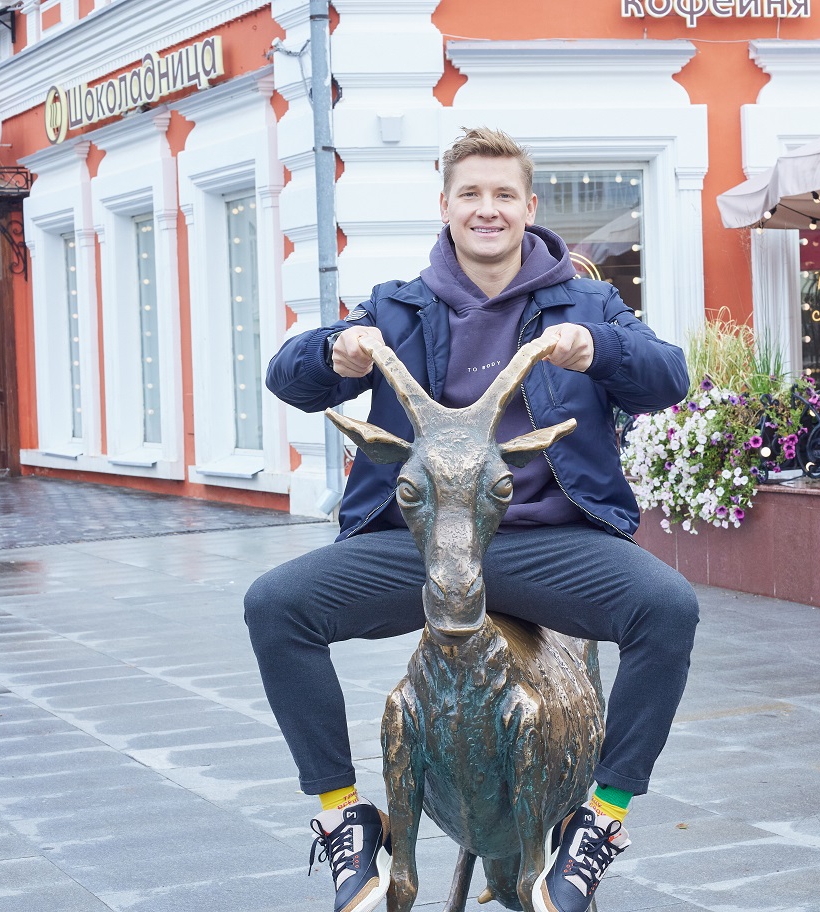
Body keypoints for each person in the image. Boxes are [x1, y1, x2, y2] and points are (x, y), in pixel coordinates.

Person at [245, 126, 699, 912]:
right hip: (417, 547)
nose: (486, 210)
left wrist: (597, 350)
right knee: (276, 606)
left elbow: (669, 377)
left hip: (544, 543)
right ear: (446, 206)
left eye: (502, 195)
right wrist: (335, 351)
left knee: (667, 609)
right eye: (470, 195)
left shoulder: (586, 301)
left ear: (529, 206)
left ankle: (601, 820)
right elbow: (289, 376)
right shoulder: (397, 307)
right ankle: (344, 819)